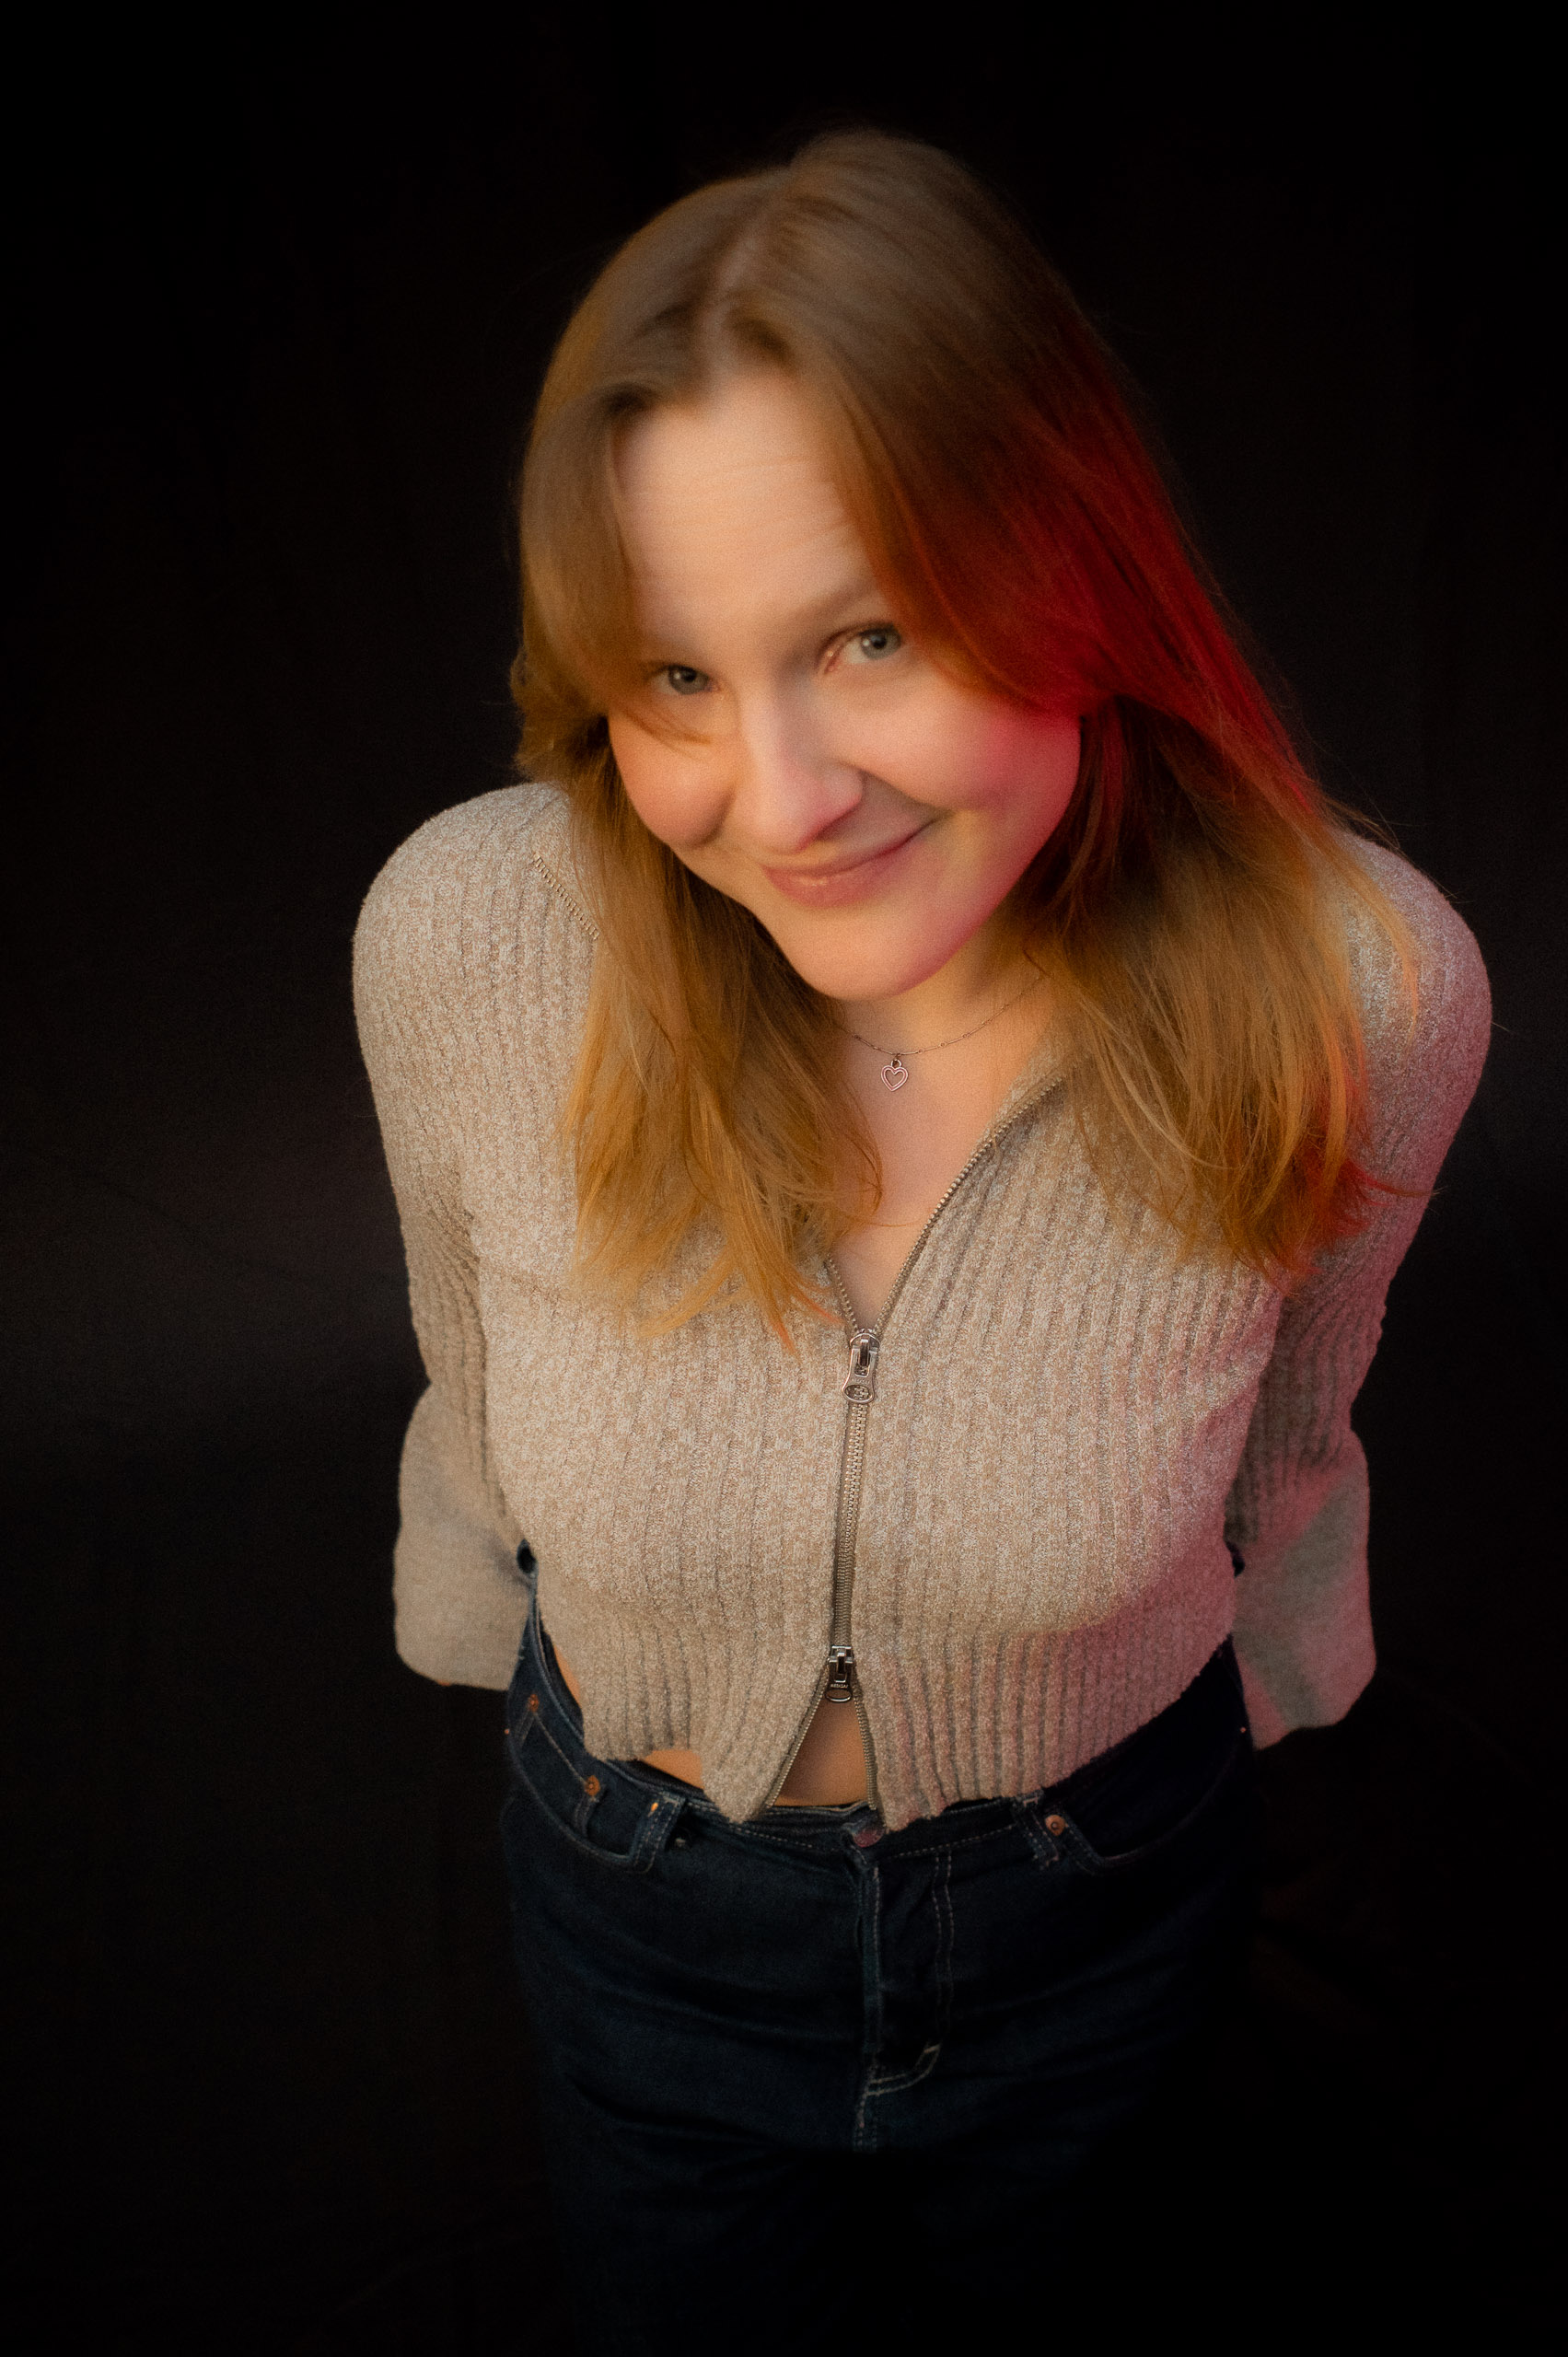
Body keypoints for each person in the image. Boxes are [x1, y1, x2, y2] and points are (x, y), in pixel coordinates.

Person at [354, 129, 1490, 2353]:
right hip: (642, 1916)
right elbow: (464, 1385)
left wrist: (1285, 1673)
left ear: (1071, 564)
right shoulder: (464, 941)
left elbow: (1291, 1443)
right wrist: (466, 1605)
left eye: (867, 634)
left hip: (1101, 1910)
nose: (782, 797)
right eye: (675, 677)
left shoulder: (1363, 989)